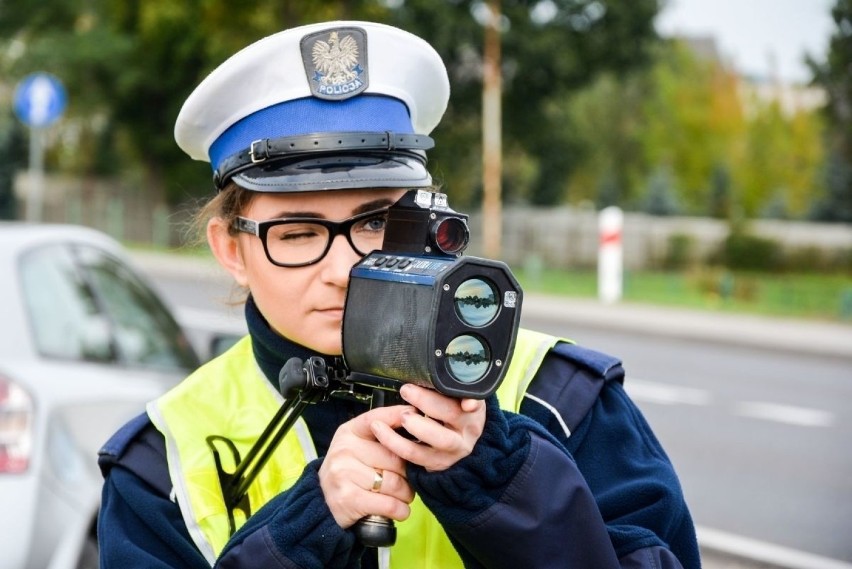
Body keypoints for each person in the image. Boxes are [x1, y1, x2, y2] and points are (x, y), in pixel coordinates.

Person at [97, 20, 700, 569]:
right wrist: (299, 535)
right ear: (232, 250)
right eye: (299, 232)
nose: (344, 268)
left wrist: (501, 473)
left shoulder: (561, 400)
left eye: (376, 223)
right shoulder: (161, 465)